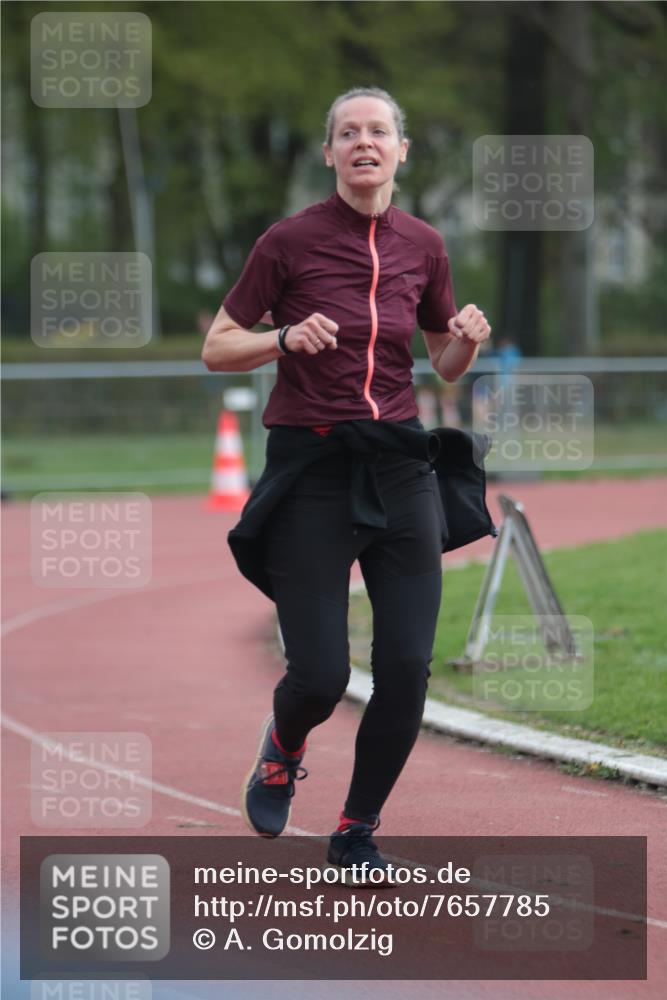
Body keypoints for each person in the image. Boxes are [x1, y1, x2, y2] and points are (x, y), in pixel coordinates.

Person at [202, 86, 492, 882]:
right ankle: (281, 746)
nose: (364, 142)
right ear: (328, 152)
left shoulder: (424, 245)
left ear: (401, 150)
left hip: (399, 466)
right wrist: (282, 338)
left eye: (378, 131)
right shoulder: (287, 242)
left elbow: (443, 363)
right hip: (314, 469)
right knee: (321, 675)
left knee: (405, 667)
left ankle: (355, 832)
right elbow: (218, 346)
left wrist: (466, 341)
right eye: (348, 132)